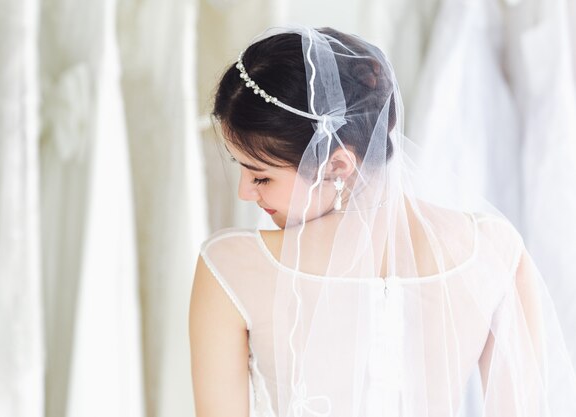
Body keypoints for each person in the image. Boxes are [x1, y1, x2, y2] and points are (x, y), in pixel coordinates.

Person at [189, 27, 576, 417]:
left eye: (261, 177)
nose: (245, 192)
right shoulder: (493, 251)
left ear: (337, 164)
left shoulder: (232, 266)